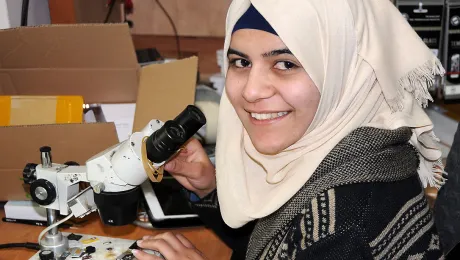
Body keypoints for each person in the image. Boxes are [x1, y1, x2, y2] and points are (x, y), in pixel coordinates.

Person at [133, 0, 447, 259]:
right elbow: (274, 245)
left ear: (344, 71)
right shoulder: (338, 157)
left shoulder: (346, 224)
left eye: (285, 64)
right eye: (241, 62)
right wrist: (209, 189)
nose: (252, 91)